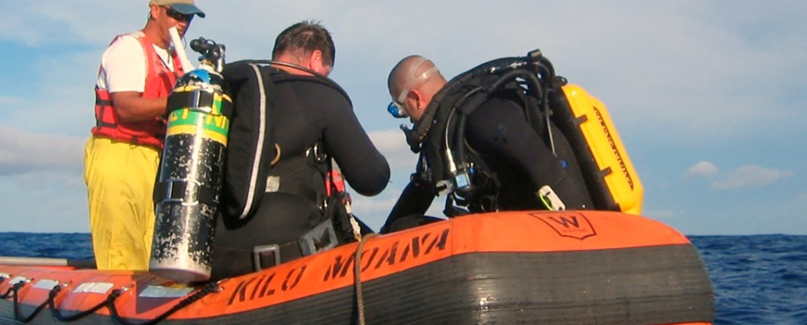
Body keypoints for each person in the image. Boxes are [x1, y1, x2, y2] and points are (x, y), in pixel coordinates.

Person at [210, 21, 390, 279]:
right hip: (288, 262)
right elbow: (372, 178)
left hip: (218, 259)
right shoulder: (321, 93)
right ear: (316, 58)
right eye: (326, 72)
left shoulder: (231, 92)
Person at [381, 55, 594, 233]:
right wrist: (377, 240)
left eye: (399, 108)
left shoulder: (481, 115)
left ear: (416, 98)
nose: (406, 116)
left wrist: (583, 228)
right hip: (511, 231)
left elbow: (544, 165)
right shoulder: (446, 137)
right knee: (403, 226)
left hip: (554, 229)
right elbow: (419, 192)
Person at [84, 0, 204, 271]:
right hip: (119, 153)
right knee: (122, 243)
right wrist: (180, 101)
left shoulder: (176, 61)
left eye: (188, 18)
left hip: (157, 159)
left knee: (153, 243)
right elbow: (126, 108)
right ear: (155, 9)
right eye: (176, 15)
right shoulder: (129, 48)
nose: (182, 24)